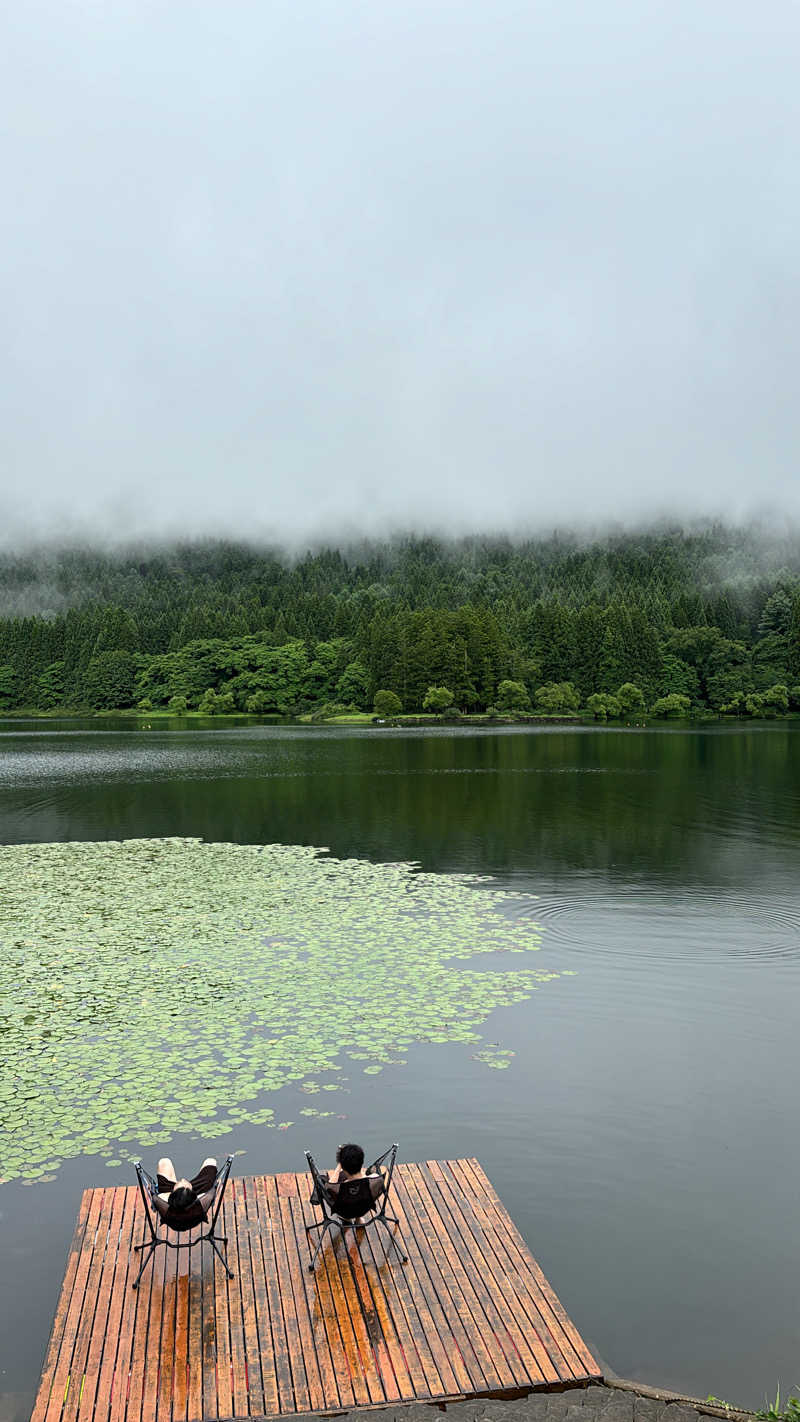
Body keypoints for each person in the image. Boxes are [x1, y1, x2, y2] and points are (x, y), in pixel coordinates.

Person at [323, 1143, 385, 1224]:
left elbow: (330, 1186)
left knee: (322, 1180)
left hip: (345, 1212)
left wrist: (339, 1165)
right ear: (362, 1163)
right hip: (363, 1209)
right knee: (360, 1190)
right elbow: (363, 1176)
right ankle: (359, 1219)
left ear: (343, 1167)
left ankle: (347, 1219)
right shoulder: (375, 1178)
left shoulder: (340, 1187)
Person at [151, 1155, 218, 1230]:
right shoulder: (202, 1200)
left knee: (164, 1161)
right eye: (185, 1183)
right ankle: (184, 1189)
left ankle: (181, 1189)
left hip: (171, 1218)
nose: (183, 1179)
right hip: (194, 1217)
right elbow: (211, 1192)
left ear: (171, 1193)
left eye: (180, 1183)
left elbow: (156, 1197)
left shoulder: (162, 1200)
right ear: (194, 1195)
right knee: (210, 1161)